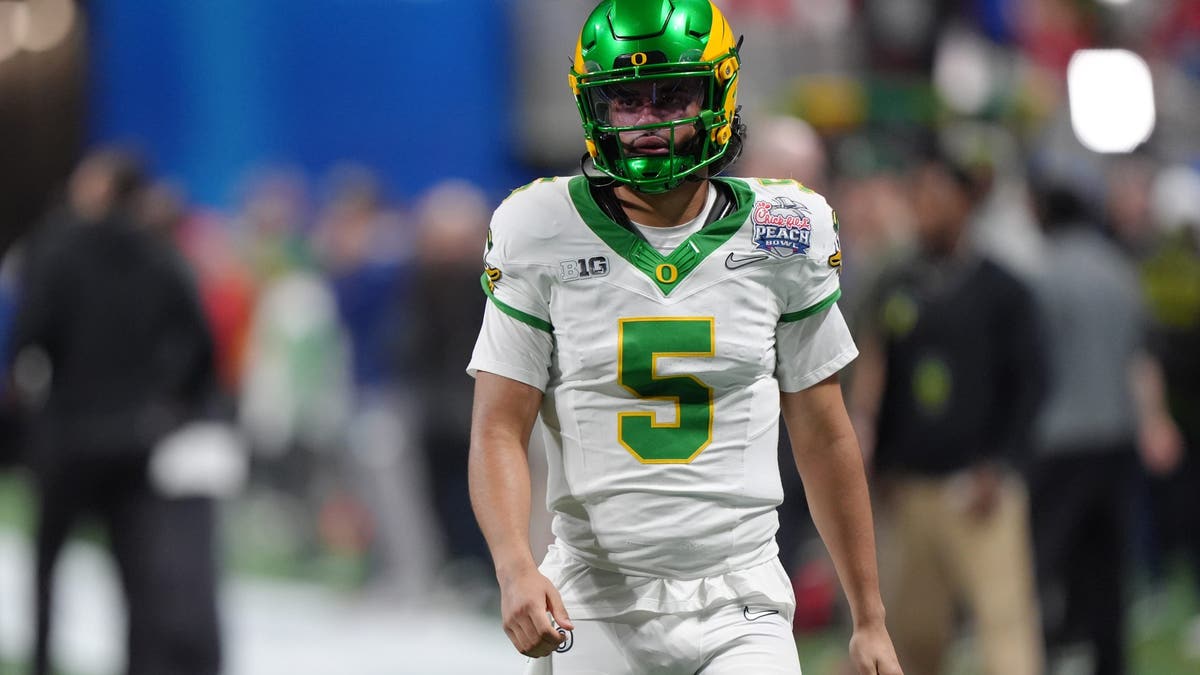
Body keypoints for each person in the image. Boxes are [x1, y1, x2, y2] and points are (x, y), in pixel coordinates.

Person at [466, 2, 903, 673]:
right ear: (594, 108)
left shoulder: (785, 229)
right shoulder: (538, 230)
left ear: (719, 91)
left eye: (672, 93)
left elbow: (824, 429)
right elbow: (499, 426)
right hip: (596, 596)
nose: (649, 120)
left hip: (742, 596)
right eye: (626, 99)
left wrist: (869, 616)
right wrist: (515, 567)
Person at [9, 149, 222, 675]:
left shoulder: (59, 248)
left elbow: (30, 334)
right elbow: (200, 344)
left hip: (68, 433)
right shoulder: (158, 254)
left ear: (103, 190)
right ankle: (138, 663)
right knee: (136, 570)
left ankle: (41, 658)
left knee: (48, 562)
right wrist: (171, 402)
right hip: (135, 436)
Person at [850, 154, 1046, 675]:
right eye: (918, 198)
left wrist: (1002, 465)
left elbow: (1030, 386)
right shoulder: (900, 283)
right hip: (911, 485)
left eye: (936, 197)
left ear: (965, 202)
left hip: (980, 487)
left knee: (1004, 625)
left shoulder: (1003, 289)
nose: (924, 210)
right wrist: (882, 455)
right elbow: (879, 370)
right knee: (913, 632)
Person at [1026, 182, 1182, 675]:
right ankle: (1110, 659)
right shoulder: (1120, 271)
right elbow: (1142, 356)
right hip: (1115, 438)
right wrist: (1154, 422)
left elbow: (1031, 367)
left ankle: (1050, 653)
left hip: (1057, 440)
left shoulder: (1044, 276)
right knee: (1108, 563)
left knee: (1046, 561)